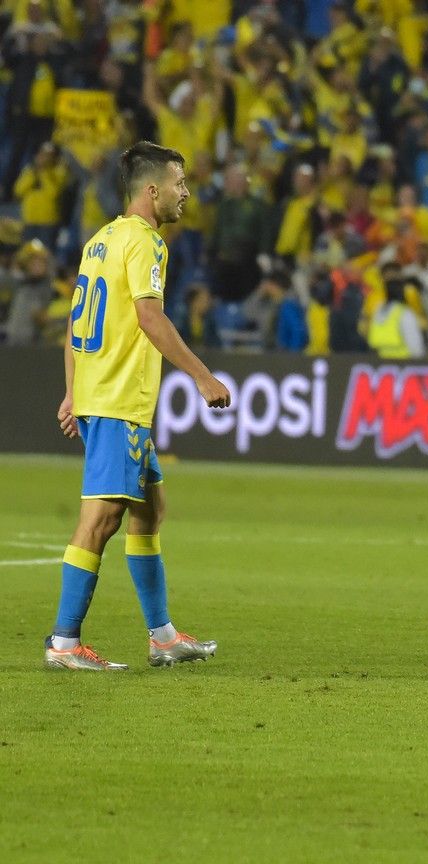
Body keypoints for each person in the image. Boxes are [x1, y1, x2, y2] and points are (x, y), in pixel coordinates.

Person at [48, 141, 231, 671]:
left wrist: (71, 391)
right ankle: (64, 642)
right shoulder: (146, 242)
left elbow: (75, 325)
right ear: (152, 191)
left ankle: (163, 636)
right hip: (119, 401)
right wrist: (202, 376)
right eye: (179, 184)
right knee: (100, 520)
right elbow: (150, 319)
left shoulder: (101, 240)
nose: (186, 193)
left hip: (103, 394)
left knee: (149, 511)